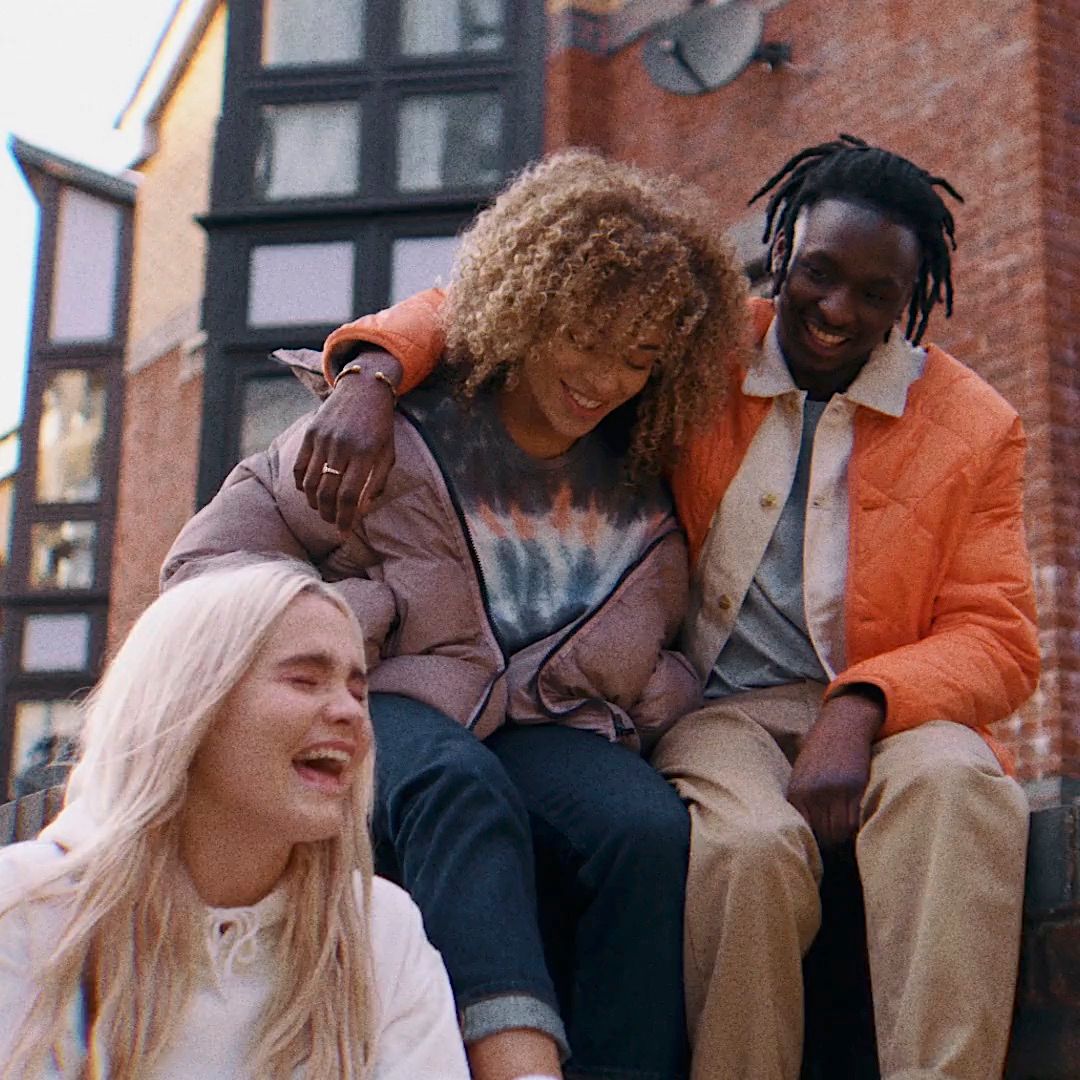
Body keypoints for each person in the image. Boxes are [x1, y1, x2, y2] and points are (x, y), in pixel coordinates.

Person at [296, 135, 1041, 1080]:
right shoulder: (704, 348)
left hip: (895, 706)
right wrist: (370, 376)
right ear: (782, 250)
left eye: (876, 294)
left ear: (912, 298)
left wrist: (861, 706)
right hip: (718, 706)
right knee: (744, 849)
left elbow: (1000, 637)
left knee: (956, 791)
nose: (837, 310)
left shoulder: (978, 425)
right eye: (818, 274)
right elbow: (505, 301)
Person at [163, 150, 750, 1080]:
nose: (605, 379)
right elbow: (202, 569)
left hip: (544, 722)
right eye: (586, 339)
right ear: (528, 308)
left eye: (639, 358)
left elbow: (662, 648)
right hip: (393, 701)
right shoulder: (383, 436)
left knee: (646, 827)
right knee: (455, 789)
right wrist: (361, 616)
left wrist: (654, 689)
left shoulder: (645, 482)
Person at [0, 559, 469, 1079]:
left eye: (357, 692)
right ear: (189, 705)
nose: (350, 713)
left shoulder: (382, 932)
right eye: (305, 679)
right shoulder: (24, 909)